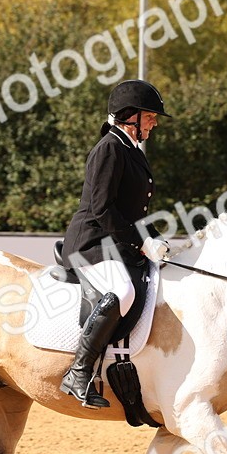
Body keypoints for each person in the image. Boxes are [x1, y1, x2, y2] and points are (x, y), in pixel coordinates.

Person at [59, 79, 173, 408]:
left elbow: (132, 211)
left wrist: (154, 239)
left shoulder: (130, 149)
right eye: (149, 116)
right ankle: (78, 372)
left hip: (115, 244)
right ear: (129, 116)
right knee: (122, 291)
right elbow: (103, 209)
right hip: (91, 243)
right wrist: (141, 242)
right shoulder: (109, 148)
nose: (154, 123)